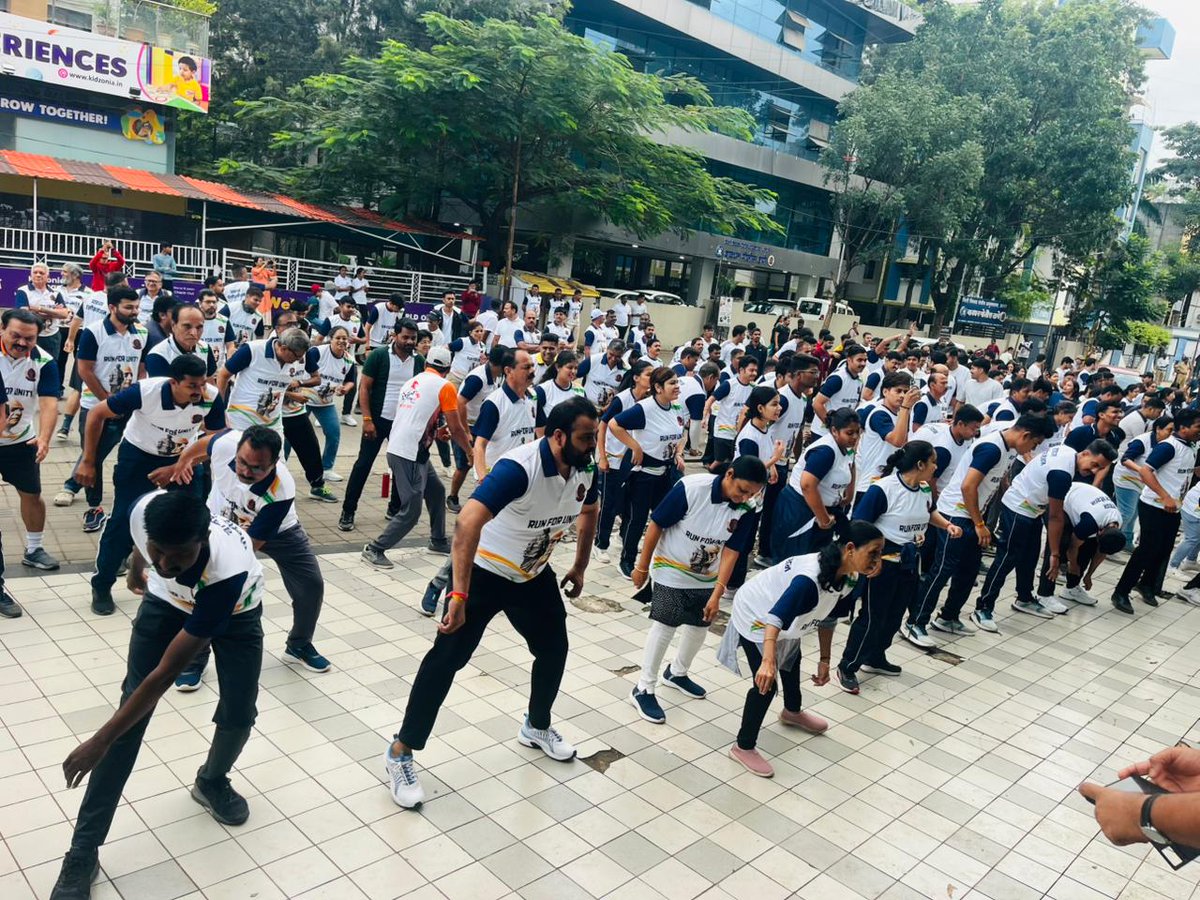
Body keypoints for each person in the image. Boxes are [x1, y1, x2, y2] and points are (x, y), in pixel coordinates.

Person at [383, 397, 600, 808]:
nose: (593, 445)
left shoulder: (585, 468)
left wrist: (580, 565)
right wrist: (459, 594)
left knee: (554, 650)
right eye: (585, 437)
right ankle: (400, 751)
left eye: (595, 437)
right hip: (484, 575)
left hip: (533, 576)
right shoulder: (519, 469)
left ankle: (536, 726)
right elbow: (466, 522)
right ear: (557, 437)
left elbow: (590, 511)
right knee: (447, 659)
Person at [50, 492, 265, 899]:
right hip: (166, 604)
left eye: (178, 555)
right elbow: (139, 540)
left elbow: (165, 674)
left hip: (236, 612)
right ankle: (83, 850)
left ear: (201, 540)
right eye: (158, 552)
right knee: (128, 722)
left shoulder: (227, 570)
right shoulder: (144, 511)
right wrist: (136, 567)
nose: (164, 564)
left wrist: (98, 739)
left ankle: (212, 781)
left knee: (239, 713)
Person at [167, 426, 332, 688]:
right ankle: (194, 659)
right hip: (218, 524)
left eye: (256, 468)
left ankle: (299, 645)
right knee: (209, 587)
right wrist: (183, 461)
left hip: (277, 532)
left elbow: (249, 546)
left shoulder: (282, 489)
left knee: (311, 585)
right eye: (242, 462)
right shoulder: (224, 444)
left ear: (274, 463)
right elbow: (200, 446)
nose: (245, 471)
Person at [718, 522, 886, 776]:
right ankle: (743, 746)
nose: (877, 561)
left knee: (791, 658)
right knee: (766, 683)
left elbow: (828, 618)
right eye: (873, 553)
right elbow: (774, 620)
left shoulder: (848, 577)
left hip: (781, 616)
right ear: (850, 549)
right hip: (757, 612)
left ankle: (791, 712)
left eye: (880, 553)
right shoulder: (809, 581)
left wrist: (825, 659)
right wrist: (767, 662)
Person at [629, 457, 767, 725]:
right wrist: (642, 567)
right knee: (665, 625)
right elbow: (657, 523)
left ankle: (677, 673)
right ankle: (644, 687)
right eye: (742, 490)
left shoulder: (748, 507)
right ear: (728, 475)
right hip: (671, 565)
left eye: (752, 493)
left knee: (699, 626)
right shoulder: (692, 488)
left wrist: (718, 591)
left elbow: (733, 550)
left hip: (706, 574)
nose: (746, 497)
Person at [835, 443, 961, 694]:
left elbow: (930, 512)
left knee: (894, 617)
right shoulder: (883, 490)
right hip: (881, 566)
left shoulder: (924, 488)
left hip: (908, 563)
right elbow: (857, 526)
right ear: (920, 465)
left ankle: (876, 656)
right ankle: (847, 666)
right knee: (872, 617)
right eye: (933, 462)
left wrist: (947, 525)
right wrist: (869, 561)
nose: (936, 467)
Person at [975, 440, 1117, 622]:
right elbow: (1055, 516)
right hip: (1019, 508)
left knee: (1029, 557)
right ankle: (983, 607)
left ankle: (1024, 598)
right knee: (1007, 559)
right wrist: (1055, 555)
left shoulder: (1067, 450)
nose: (1095, 471)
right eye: (1095, 465)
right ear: (1085, 454)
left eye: (1101, 468)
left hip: (1033, 508)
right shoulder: (1062, 474)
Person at [361, 347, 472, 569]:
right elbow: (457, 427)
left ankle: (438, 540)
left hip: (406, 448)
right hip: (408, 453)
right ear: (448, 369)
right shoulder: (445, 386)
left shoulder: (413, 382)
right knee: (412, 509)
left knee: (437, 491)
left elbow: (417, 416)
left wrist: (436, 432)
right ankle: (375, 548)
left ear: (425, 365)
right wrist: (470, 451)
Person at [56, 286, 148, 533]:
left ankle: (131, 507)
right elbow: (84, 369)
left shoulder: (141, 332)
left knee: (131, 455)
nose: (134, 312)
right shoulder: (93, 333)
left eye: (136, 307)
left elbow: (140, 367)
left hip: (129, 407)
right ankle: (93, 508)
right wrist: (107, 401)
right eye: (129, 307)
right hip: (95, 407)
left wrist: (136, 394)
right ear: (112, 307)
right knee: (93, 458)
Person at [338, 320, 424, 531]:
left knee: (401, 467)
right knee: (363, 465)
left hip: (403, 424)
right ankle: (348, 511)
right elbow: (365, 388)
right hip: (377, 421)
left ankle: (394, 509)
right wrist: (367, 420)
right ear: (394, 335)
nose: (409, 341)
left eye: (413, 338)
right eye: (405, 337)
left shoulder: (419, 360)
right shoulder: (378, 356)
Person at [1113, 408, 1200, 614]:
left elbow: (1188, 472)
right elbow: (1145, 471)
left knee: (1163, 549)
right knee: (1146, 549)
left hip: (1173, 507)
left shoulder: (1191, 446)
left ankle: (1147, 584)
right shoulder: (1168, 447)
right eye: (1198, 427)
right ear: (1183, 427)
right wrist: (1165, 496)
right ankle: (1121, 592)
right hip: (1154, 505)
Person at [608, 367, 687, 578]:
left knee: (665, 517)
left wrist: (678, 453)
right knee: (637, 519)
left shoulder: (676, 407)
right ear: (658, 387)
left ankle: (659, 559)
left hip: (666, 473)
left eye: (677, 382)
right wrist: (635, 446)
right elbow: (614, 424)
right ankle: (627, 560)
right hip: (643, 474)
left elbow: (682, 433)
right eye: (672, 383)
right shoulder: (645, 408)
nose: (677, 386)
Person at [0, 309, 61, 576]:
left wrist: (44, 438)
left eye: (30, 338)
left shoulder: (44, 362)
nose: (22, 343)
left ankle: (34, 548)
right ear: (2, 329)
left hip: (21, 441)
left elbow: (49, 404)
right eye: (16, 336)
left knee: (32, 494)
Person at [774, 407, 859, 560]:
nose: (854, 437)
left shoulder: (846, 447)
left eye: (857, 432)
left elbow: (851, 464)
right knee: (795, 559)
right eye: (849, 433)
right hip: (800, 508)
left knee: (817, 559)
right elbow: (807, 485)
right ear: (834, 431)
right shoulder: (825, 451)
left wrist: (849, 493)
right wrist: (823, 518)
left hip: (825, 507)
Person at [594, 360, 653, 564]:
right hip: (613, 457)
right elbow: (602, 426)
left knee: (629, 502)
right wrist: (602, 456)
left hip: (633, 460)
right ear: (636, 378)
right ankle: (600, 544)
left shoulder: (649, 401)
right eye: (648, 375)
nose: (651, 379)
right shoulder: (622, 399)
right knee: (609, 504)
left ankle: (623, 537)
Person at [1035, 482, 1126, 609]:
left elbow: (1101, 552)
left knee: (1088, 547)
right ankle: (1044, 594)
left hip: (1083, 503)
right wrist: (1073, 565)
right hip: (1061, 498)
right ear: (1100, 531)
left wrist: (1089, 575)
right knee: (1060, 543)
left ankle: (1071, 588)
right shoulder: (1091, 523)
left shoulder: (1117, 524)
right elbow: (1073, 546)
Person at [854, 373, 920, 504]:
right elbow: (897, 441)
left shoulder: (901, 413)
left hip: (889, 480)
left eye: (906, 392)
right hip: (871, 482)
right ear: (885, 391)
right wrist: (906, 408)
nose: (902, 395)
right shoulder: (879, 414)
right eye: (898, 391)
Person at [306, 325, 357, 482]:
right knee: (290, 434)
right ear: (331, 339)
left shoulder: (349, 360)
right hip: (304, 399)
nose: (341, 341)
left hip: (326, 403)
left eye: (344, 338)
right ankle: (283, 464)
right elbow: (301, 368)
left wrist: (344, 389)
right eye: (338, 338)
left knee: (334, 433)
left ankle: (327, 468)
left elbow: (351, 381)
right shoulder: (317, 352)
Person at [704, 354, 758, 471]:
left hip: (739, 432)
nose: (754, 373)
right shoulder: (729, 384)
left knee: (734, 461)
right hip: (723, 430)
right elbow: (711, 399)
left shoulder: (754, 388)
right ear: (741, 370)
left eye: (756, 370)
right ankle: (711, 477)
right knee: (720, 460)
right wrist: (705, 417)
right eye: (751, 370)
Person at [16, 261, 71, 369]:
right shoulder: (23, 291)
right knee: (29, 366)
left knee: (50, 365)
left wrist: (39, 309)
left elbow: (65, 314)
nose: (38, 275)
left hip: (52, 336)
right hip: (30, 335)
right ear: (31, 275)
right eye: (35, 272)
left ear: (47, 277)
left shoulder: (55, 293)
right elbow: (23, 314)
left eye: (41, 273)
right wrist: (54, 313)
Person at [144, 303, 217, 379]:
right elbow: (162, 389)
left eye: (199, 327)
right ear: (173, 326)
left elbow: (210, 382)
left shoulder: (205, 348)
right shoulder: (158, 356)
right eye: (187, 327)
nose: (194, 333)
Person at [811, 343, 868, 440]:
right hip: (824, 434)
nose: (863, 363)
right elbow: (817, 403)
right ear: (849, 360)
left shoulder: (859, 380)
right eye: (859, 360)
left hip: (842, 435)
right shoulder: (838, 378)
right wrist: (832, 427)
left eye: (865, 360)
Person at [534, 349, 583, 435]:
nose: (573, 371)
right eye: (570, 367)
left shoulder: (580, 391)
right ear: (557, 367)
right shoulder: (542, 390)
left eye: (576, 368)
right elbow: (536, 423)